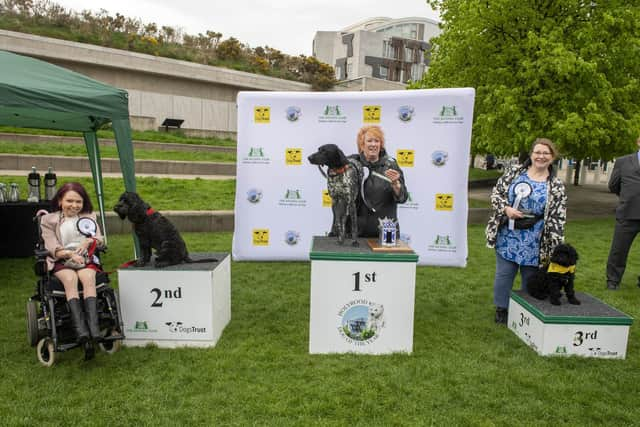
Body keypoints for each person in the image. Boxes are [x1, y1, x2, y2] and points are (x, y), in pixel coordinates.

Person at [485, 138, 567, 324]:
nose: (541, 156)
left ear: (552, 157)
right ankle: (502, 309)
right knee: (504, 274)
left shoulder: (556, 186)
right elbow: (496, 194)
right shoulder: (514, 173)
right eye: (537, 152)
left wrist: (556, 245)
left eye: (546, 153)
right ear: (531, 155)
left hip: (536, 238)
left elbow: (558, 217)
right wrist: (506, 209)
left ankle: (526, 313)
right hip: (509, 234)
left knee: (531, 278)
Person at [40, 182, 104, 351]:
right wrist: (69, 254)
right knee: (70, 279)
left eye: (79, 202)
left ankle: (94, 329)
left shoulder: (89, 217)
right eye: (70, 201)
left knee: (88, 277)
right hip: (62, 259)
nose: (74, 205)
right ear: (60, 200)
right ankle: (81, 330)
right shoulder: (49, 220)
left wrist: (89, 240)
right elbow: (51, 247)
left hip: (85, 258)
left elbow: (100, 239)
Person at [350, 125, 408, 237]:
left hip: (385, 232)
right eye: (369, 141)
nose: (373, 144)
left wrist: (396, 184)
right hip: (357, 232)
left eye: (377, 141)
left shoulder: (391, 165)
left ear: (380, 145)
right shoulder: (352, 164)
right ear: (362, 145)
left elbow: (403, 198)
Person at [606, 137, 640, 290]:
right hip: (627, 212)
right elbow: (613, 185)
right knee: (619, 249)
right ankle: (613, 280)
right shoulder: (623, 161)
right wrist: (627, 197)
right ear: (638, 142)